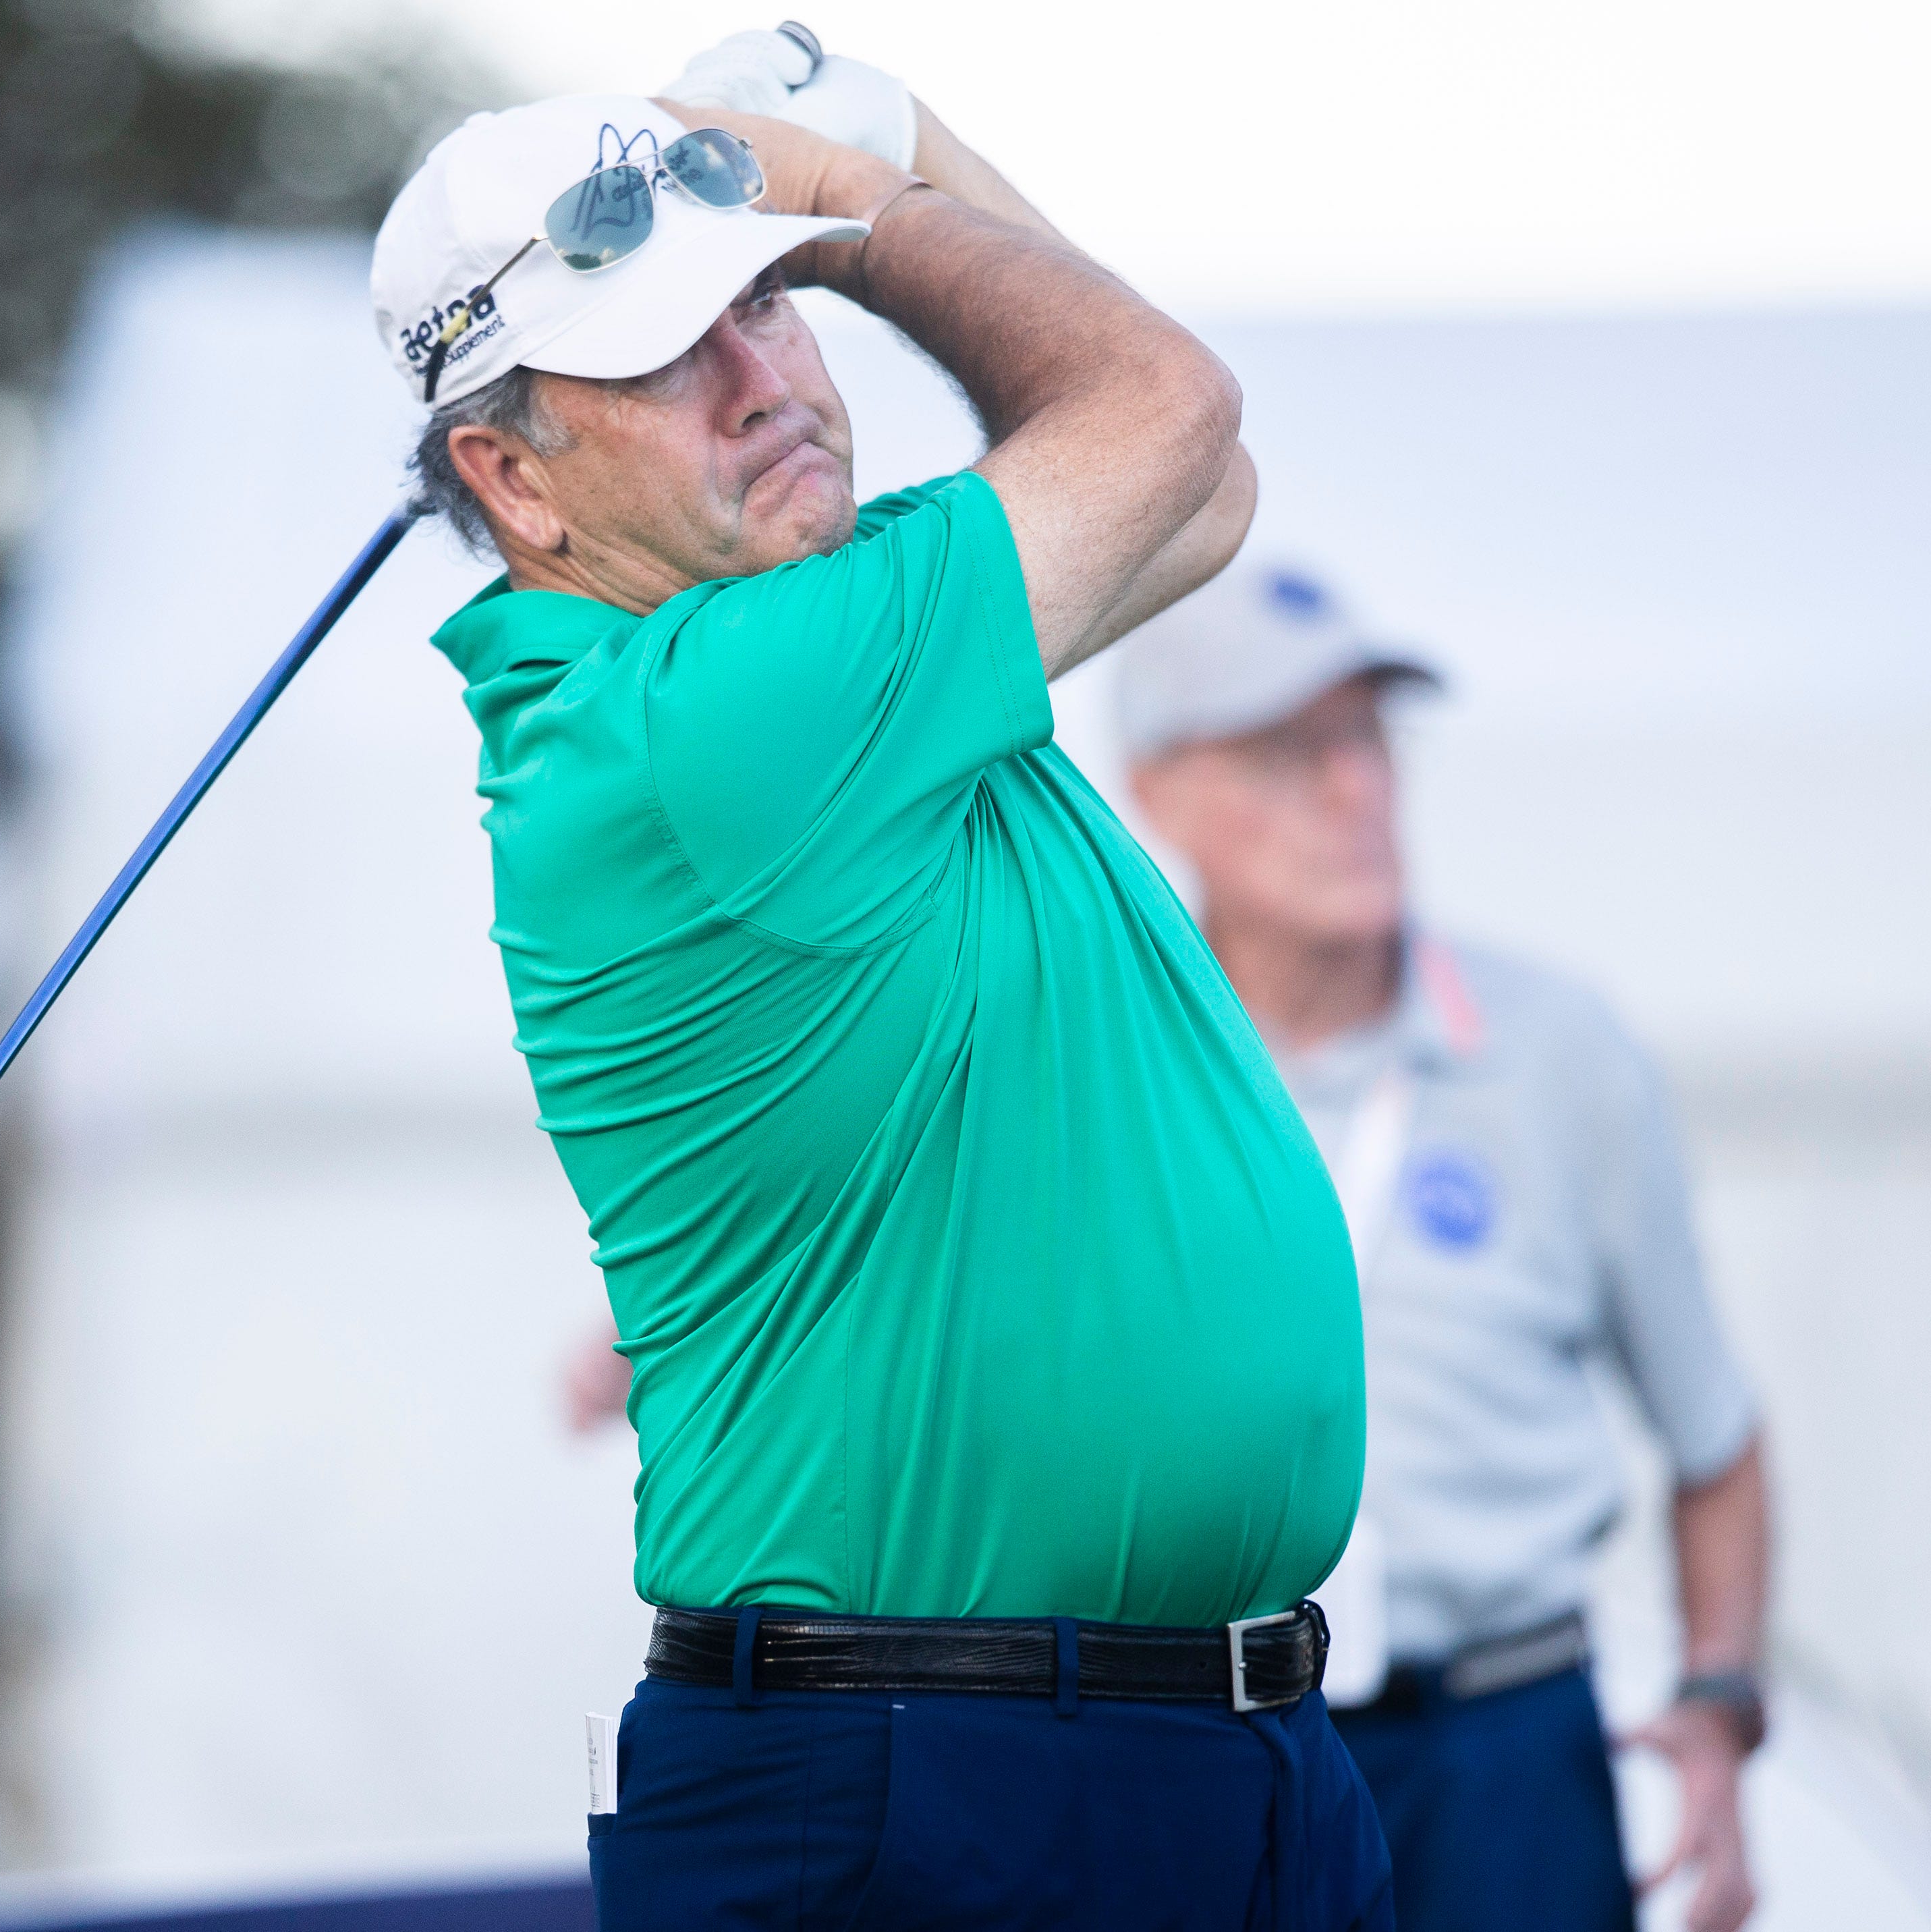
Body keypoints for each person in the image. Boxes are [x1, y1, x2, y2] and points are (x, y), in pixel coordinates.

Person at [376, 29, 1390, 1932]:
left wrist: (892, 146)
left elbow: (1203, 484)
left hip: (1171, 1763)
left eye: (767, 307)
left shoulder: (813, 653)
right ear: (513, 479)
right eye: (670, 352)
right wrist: (847, 193)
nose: (766, 377)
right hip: (930, 1791)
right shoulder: (715, 718)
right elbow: (1166, 401)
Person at [1115, 565, 1770, 1932]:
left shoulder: (1557, 1050)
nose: (1355, 789)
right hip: (1195, 1745)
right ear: (1157, 793)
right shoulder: (1102, 1073)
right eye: (1292, 752)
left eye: (1367, 739)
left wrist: (1717, 1703)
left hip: (1503, 1756)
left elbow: (1715, 1442)